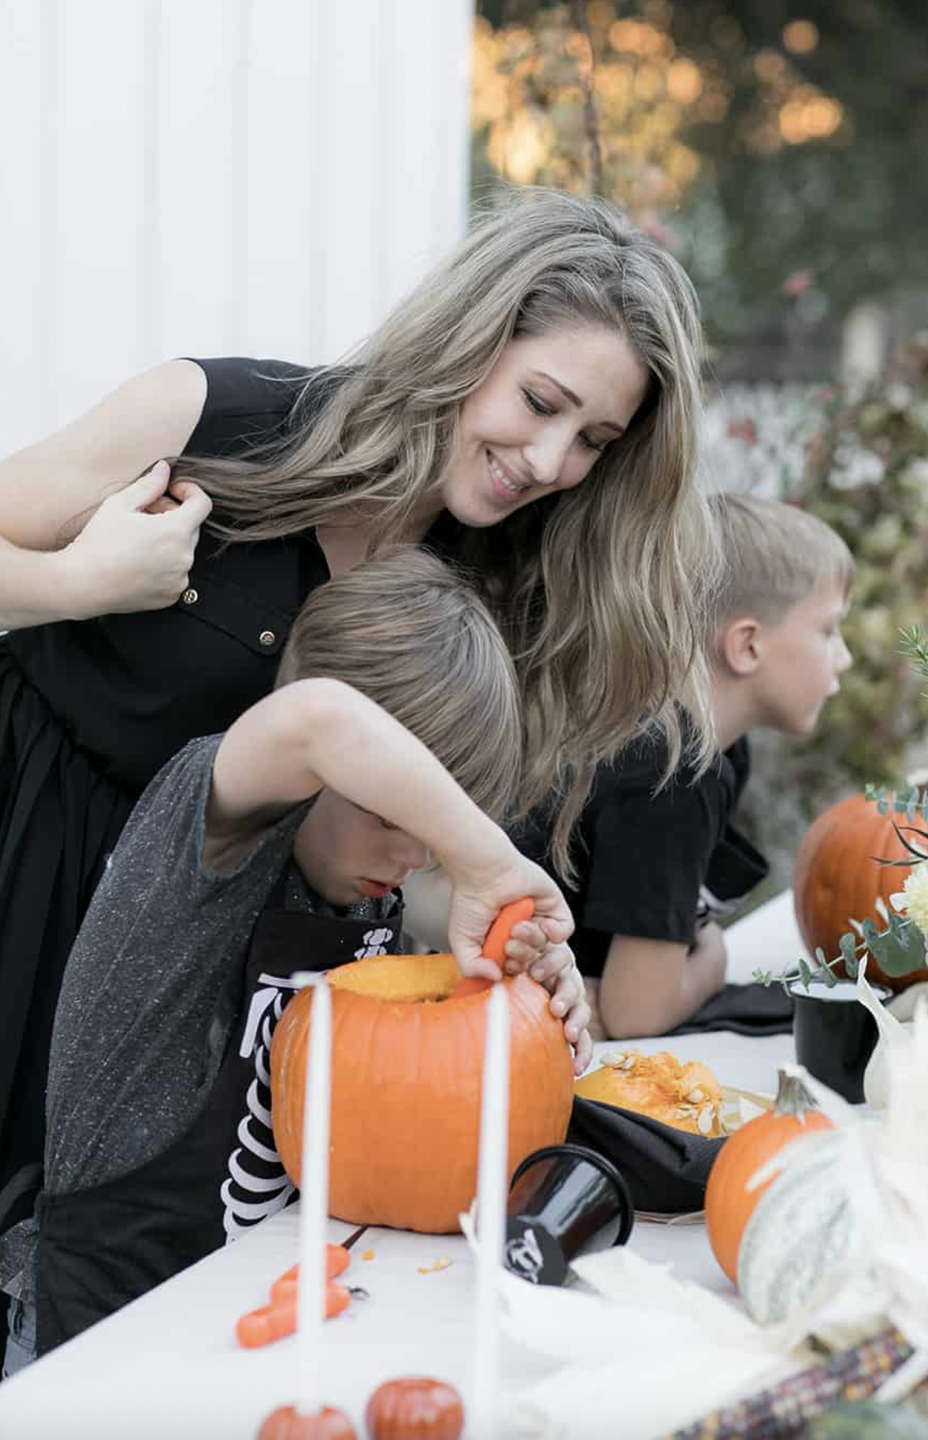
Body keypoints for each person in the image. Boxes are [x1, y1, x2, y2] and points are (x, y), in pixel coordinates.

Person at [0, 186, 719, 1251]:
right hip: (29, 848)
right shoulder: (219, 418)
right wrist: (84, 581)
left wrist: (528, 956)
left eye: (593, 440)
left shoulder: (495, 575)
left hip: (210, 959)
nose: (551, 461)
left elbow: (422, 840)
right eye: (539, 401)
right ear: (470, 340)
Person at [0, 549, 590, 1371]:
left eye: (442, 819)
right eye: (396, 807)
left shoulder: (363, 893)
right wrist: (480, 856)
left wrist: (530, 1001)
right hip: (91, 1342)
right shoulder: (204, 840)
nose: (420, 848)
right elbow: (318, 718)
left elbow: (428, 1082)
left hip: (246, 1334)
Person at [516, 493, 855, 1040]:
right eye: (828, 631)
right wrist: (713, 961)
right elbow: (635, 1014)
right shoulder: (677, 776)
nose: (844, 657)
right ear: (747, 645)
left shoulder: (691, 743)